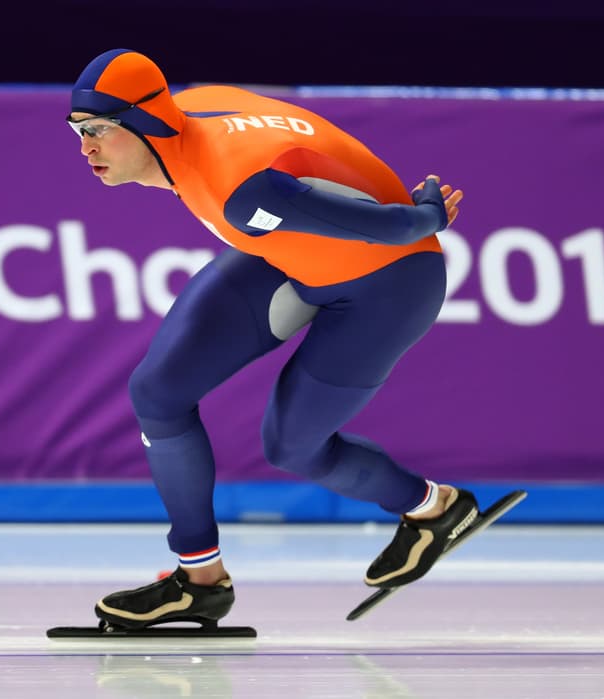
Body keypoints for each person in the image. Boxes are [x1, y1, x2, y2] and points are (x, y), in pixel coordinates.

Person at [66, 49, 478, 630]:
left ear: (144, 122)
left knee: (292, 447)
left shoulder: (238, 188)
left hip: (389, 282)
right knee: (158, 393)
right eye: (80, 131)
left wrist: (427, 215)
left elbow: (393, 227)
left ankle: (433, 507)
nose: (87, 148)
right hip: (292, 255)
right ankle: (199, 582)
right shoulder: (193, 113)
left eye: (100, 131)